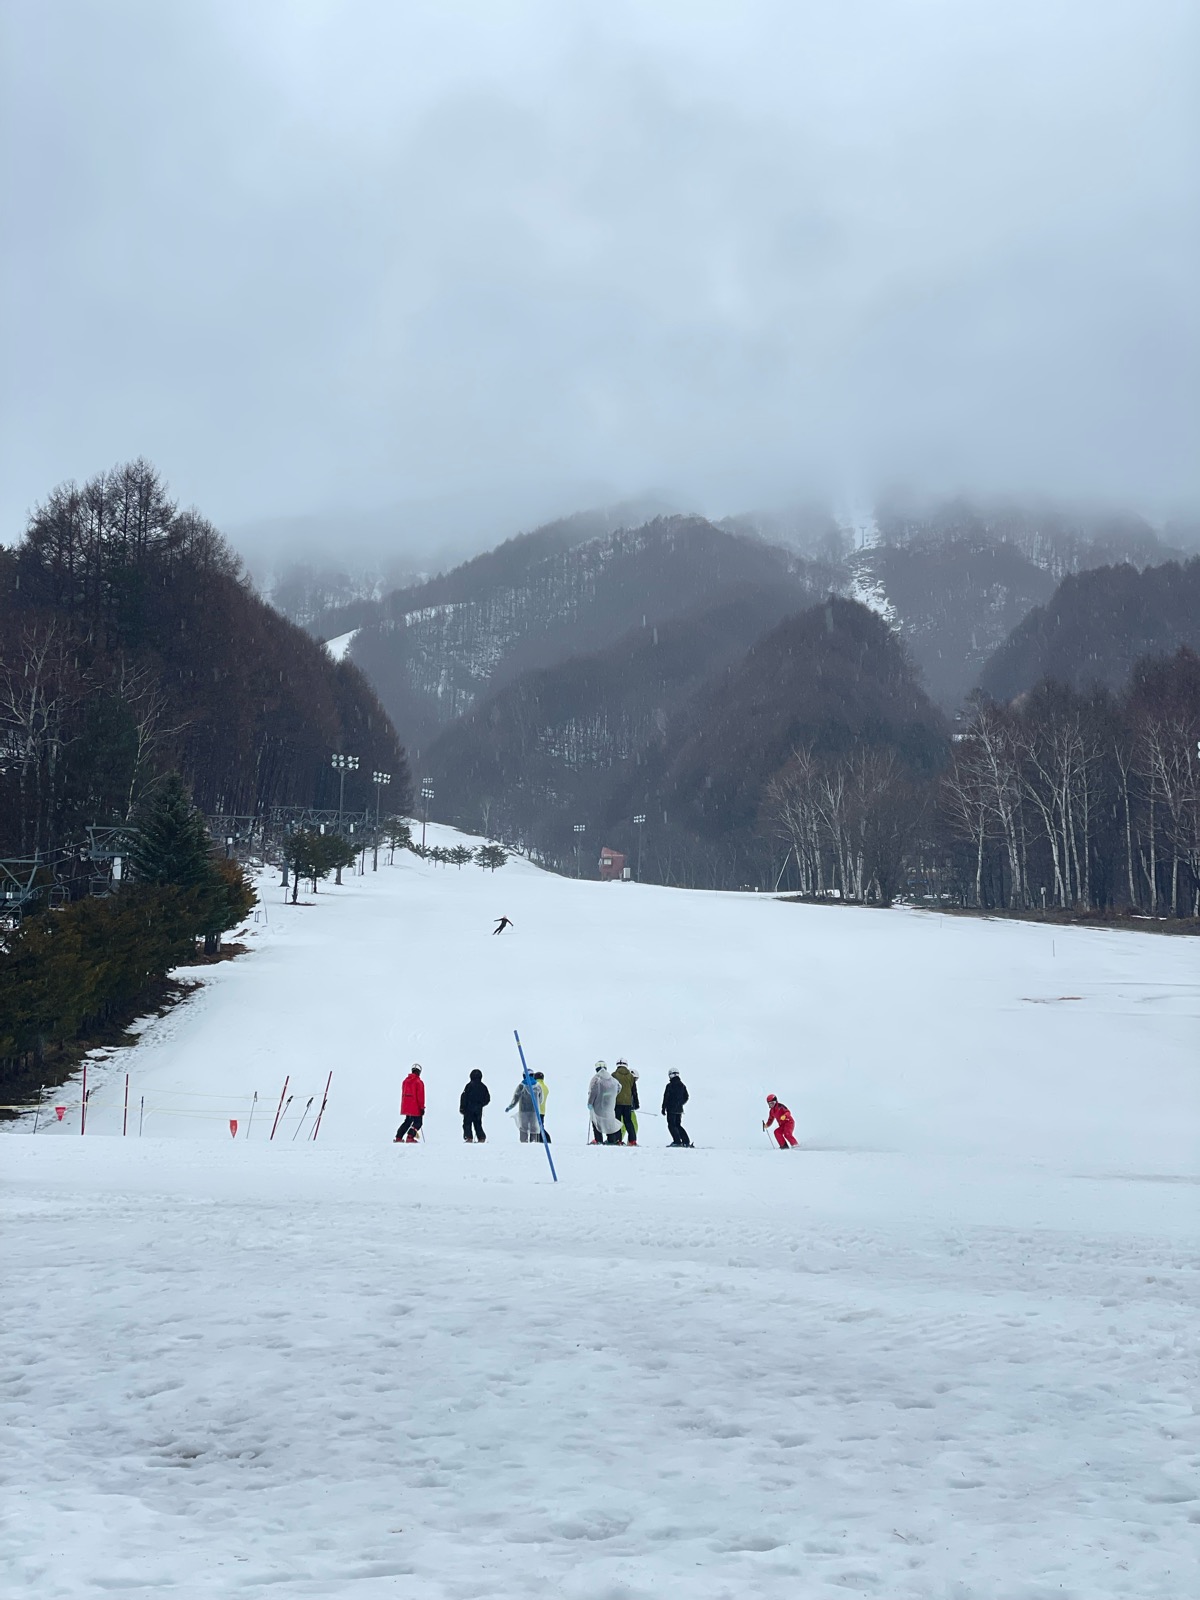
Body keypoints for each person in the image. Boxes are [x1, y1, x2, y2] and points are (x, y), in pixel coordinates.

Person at [587, 1060, 622, 1145]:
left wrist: (590, 1103)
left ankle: (598, 1140)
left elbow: (593, 1092)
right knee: (609, 1123)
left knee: (596, 1122)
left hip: (598, 1107)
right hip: (609, 1107)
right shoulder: (612, 1080)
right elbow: (619, 1087)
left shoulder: (596, 1079)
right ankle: (611, 1140)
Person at [395, 1065, 425, 1143]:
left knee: (408, 1121)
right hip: (415, 1106)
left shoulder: (405, 1081)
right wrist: (422, 1107)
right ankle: (410, 1136)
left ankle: (398, 1137)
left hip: (406, 1106)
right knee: (418, 1122)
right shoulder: (419, 1082)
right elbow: (420, 1096)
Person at [662, 1069, 691, 1147]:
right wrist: (680, 1104)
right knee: (678, 1125)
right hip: (679, 1109)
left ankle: (677, 1141)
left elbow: (666, 1097)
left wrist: (663, 1107)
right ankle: (686, 1141)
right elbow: (686, 1097)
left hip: (671, 1109)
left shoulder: (669, 1085)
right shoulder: (682, 1085)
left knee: (671, 1125)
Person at [459, 1069, 490, 1143]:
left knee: (467, 1123)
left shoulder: (469, 1086)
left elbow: (464, 1097)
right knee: (478, 1123)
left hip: (468, 1108)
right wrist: (481, 1104)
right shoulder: (483, 1087)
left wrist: (462, 1107)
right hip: (478, 1109)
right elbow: (487, 1098)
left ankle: (469, 1137)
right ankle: (481, 1137)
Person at [505, 1077, 540, 1142]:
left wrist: (510, 1107)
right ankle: (534, 1142)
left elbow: (516, 1098)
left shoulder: (521, 1086)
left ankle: (524, 1142)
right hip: (534, 1111)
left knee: (524, 1128)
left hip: (523, 1110)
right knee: (534, 1127)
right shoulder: (537, 1086)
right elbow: (541, 1099)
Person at [613, 1059, 638, 1145]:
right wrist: (636, 1103)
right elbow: (634, 1091)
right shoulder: (631, 1076)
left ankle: (618, 1140)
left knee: (617, 1121)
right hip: (627, 1103)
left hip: (617, 1102)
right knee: (628, 1122)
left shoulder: (614, 1075)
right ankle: (632, 1140)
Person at [531, 1071, 550, 1143]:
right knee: (540, 1126)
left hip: (536, 1110)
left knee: (538, 1127)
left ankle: (545, 1140)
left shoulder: (536, 1086)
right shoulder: (545, 1087)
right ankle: (542, 1140)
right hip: (542, 1110)